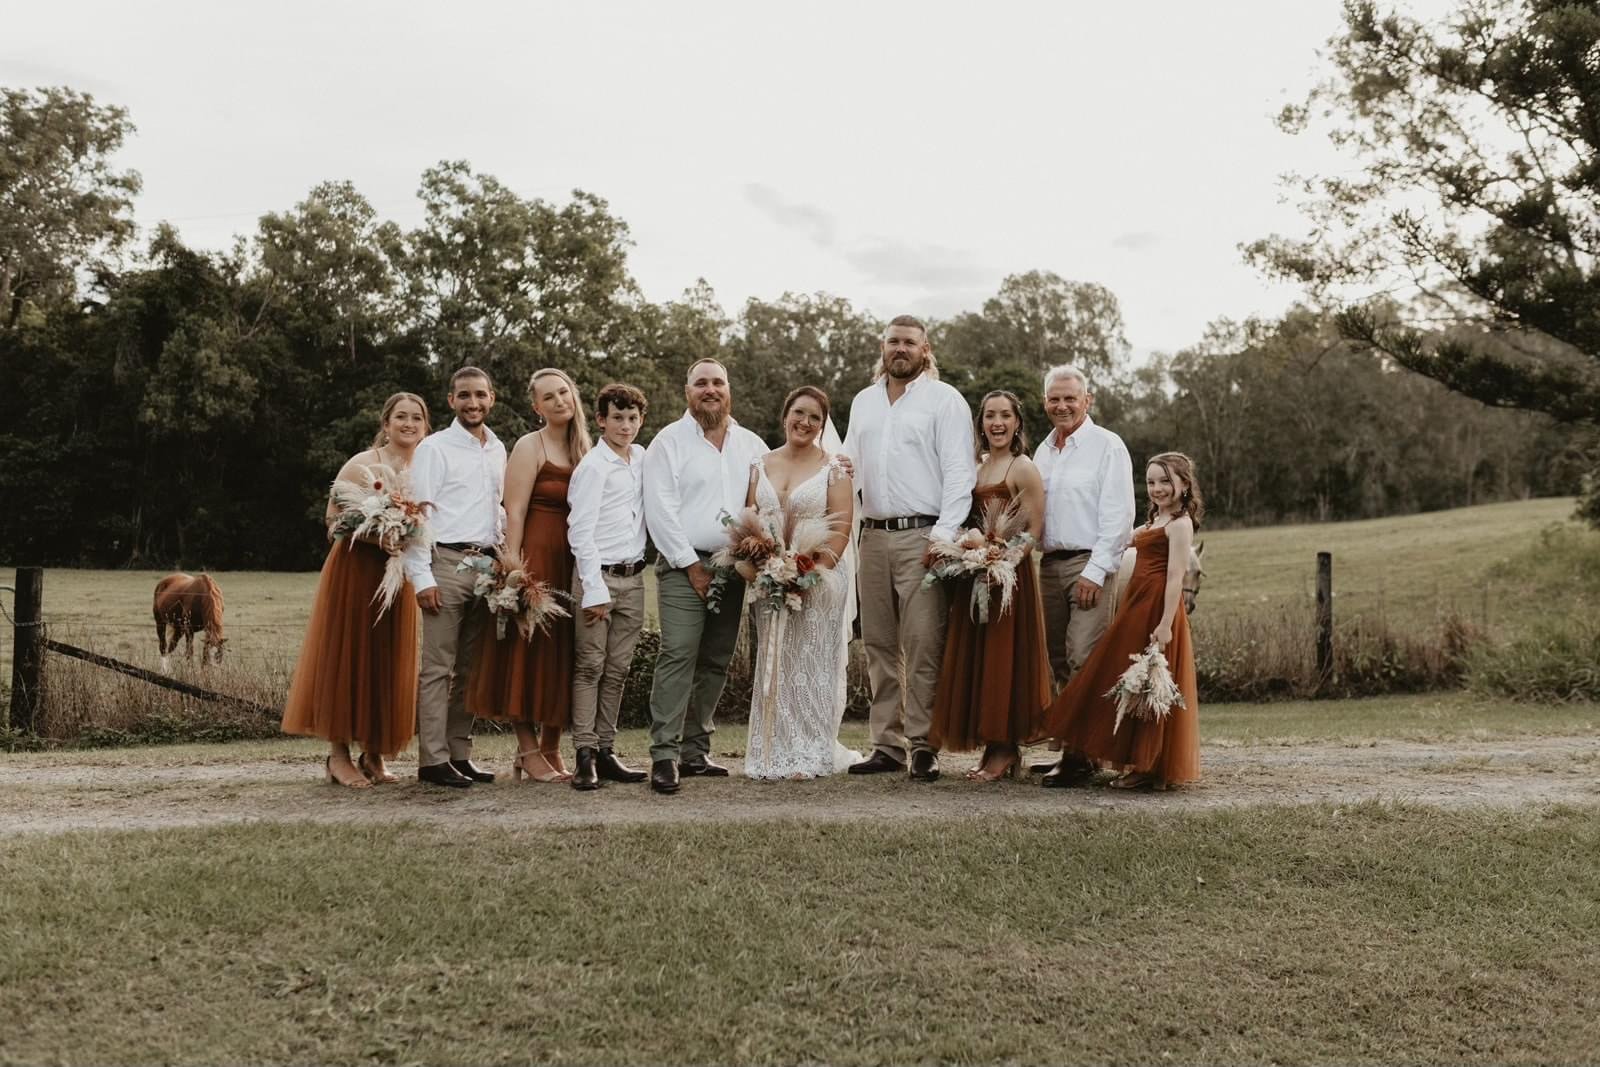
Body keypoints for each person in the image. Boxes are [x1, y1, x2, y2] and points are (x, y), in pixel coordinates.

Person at [842, 315, 977, 782]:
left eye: (909, 343)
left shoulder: (945, 400)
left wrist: (943, 535)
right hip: (872, 535)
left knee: (922, 643)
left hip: (924, 535)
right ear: (883, 347)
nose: (900, 349)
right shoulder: (863, 402)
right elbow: (848, 467)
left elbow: (961, 472)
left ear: (926, 349)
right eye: (893, 341)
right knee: (878, 644)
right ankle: (886, 744)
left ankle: (923, 744)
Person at [282, 392, 430, 787]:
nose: (409, 423)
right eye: (401, 416)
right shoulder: (363, 465)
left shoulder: (426, 468)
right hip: (356, 571)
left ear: (425, 426)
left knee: (385, 660)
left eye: (417, 417)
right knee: (348, 657)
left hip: (399, 576)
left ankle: (374, 756)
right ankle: (338, 756)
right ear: (385, 423)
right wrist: (374, 535)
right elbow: (333, 521)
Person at [1036, 452, 1202, 790]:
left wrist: (1166, 624)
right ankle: (1120, 757)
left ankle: (1149, 767)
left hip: (1156, 606)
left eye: (1165, 481)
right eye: (1152, 482)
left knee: (1149, 683)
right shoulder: (1155, 520)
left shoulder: (1180, 524)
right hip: (1136, 601)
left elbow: (1175, 577)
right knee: (1126, 677)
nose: (1157, 488)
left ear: (1184, 484)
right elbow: (1121, 536)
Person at [642, 359, 770, 794]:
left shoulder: (751, 444)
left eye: (717, 382)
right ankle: (664, 754)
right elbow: (659, 509)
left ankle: (695, 751)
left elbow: (762, 504)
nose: (710, 390)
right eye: (701, 383)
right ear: (687, 391)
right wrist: (689, 564)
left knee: (716, 657)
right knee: (679, 652)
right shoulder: (668, 442)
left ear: (728, 389)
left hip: (732, 564)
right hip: (683, 564)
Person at [470, 367, 589, 783]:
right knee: (526, 649)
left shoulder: (585, 448)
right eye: (549, 396)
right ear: (536, 407)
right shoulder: (529, 445)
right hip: (536, 552)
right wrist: (513, 569)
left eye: (564, 392)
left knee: (563, 652)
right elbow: (514, 511)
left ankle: (553, 748)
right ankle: (527, 748)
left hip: (574, 558)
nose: (559, 401)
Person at [928, 390, 1052, 781]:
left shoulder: (1022, 467)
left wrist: (1001, 562)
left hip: (1008, 581)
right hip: (974, 575)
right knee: (979, 661)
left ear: (1017, 422)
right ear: (980, 423)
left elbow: (1033, 531)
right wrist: (968, 553)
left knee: (1004, 660)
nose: (997, 423)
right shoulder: (976, 467)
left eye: (1005, 416)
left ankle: (1005, 749)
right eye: (989, 416)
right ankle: (990, 749)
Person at [742, 386, 859, 780]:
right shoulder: (760, 463)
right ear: (785, 415)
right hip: (769, 579)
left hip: (820, 579)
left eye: (814, 418)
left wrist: (809, 573)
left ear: (822, 426)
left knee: (810, 663)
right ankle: (771, 750)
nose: (804, 422)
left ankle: (810, 750)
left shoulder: (834, 469)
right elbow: (750, 518)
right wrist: (763, 564)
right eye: (799, 413)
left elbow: (841, 528)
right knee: (774, 662)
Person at [1031, 364, 1135, 786]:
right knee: (1057, 659)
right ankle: (1071, 745)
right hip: (1049, 565)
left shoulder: (1107, 446)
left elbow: (1119, 516)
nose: (1062, 406)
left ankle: (1082, 754)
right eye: (1054, 399)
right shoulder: (1042, 452)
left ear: (1087, 400)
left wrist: (1096, 571)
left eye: (1070, 398)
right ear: (1045, 403)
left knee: (1083, 656)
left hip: (1089, 563)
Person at [403, 367, 507, 788]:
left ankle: (460, 754)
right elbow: (417, 513)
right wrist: (420, 576)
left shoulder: (499, 449)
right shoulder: (435, 448)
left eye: (480, 395)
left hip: (486, 567)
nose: (473, 403)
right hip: (445, 563)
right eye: (464, 395)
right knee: (437, 668)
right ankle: (432, 760)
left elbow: (496, 509)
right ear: (451, 401)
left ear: (492, 398)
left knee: (471, 668)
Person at [565, 382, 652, 791]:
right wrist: (593, 585)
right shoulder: (593, 467)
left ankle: (606, 749)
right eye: (617, 417)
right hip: (597, 579)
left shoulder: (643, 459)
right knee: (590, 666)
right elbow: (579, 531)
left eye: (632, 418)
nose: (625, 425)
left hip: (634, 578)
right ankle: (583, 754)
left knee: (617, 670)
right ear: (601, 420)